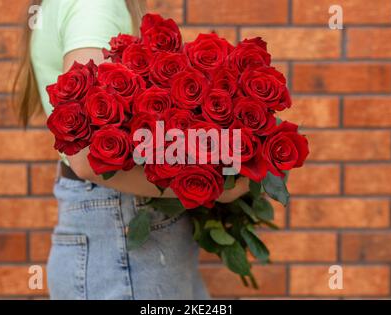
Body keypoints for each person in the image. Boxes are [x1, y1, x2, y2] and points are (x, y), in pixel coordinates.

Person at [13, 0, 249, 299]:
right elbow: (88, 156)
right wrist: (214, 188)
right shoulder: (94, 5)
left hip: (113, 225)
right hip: (121, 223)